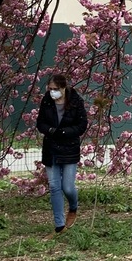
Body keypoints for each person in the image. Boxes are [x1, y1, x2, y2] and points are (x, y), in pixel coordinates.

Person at [36, 73, 88, 234]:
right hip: (51, 148)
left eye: (55, 89)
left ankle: (73, 207)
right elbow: (40, 123)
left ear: (64, 88)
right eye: (50, 89)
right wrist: (51, 130)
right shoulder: (46, 101)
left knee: (68, 187)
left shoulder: (75, 102)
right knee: (54, 186)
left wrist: (65, 132)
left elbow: (82, 125)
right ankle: (59, 224)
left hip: (69, 148)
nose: (52, 92)